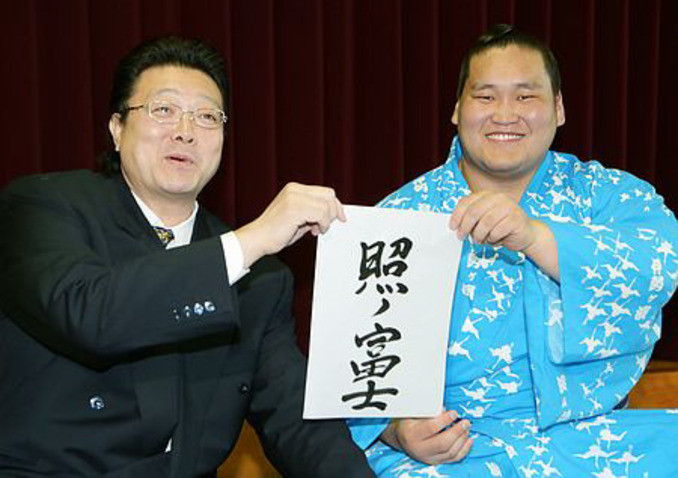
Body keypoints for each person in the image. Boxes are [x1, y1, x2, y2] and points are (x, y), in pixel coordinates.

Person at [0, 36, 375, 477]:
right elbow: (92, 313)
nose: (185, 131)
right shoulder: (43, 206)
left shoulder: (262, 279)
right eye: (163, 109)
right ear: (117, 128)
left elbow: (298, 423)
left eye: (207, 116)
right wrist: (252, 239)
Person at [349, 24, 678, 477]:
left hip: (593, 438)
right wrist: (395, 429)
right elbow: (355, 367)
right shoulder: (399, 217)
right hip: (456, 452)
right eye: (485, 96)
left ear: (559, 108)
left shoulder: (610, 196)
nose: (505, 114)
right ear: (457, 109)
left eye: (526, 96)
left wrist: (537, 237)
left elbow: (660, 263)